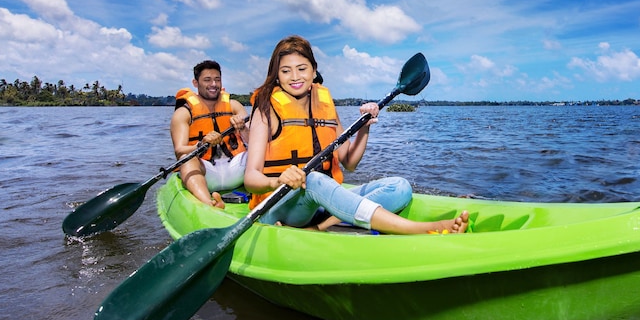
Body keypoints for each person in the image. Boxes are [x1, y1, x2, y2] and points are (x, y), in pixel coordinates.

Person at [243, 35, 469, 234]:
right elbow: (251, 178)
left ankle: (320, 227)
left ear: (313, 70)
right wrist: (278, 181)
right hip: (277, 206)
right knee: (312, 178)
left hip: (318, 208)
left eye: (301, 68)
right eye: (285, 71)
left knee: (400, 187)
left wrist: (365, 128)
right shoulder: (266, 109)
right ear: (277, 75)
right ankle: (425, 229)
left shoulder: (324, 104)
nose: (294, 76)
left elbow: (349, 162)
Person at [171, 60, 249, 208]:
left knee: (263, 150)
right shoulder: (183, 113)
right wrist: (201, 145)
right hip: (207, 172)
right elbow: (179, 150)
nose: (213, 84)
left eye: (217, 79)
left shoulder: (234, 106)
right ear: (195, 82)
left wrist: (243, 128)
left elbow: (255, 141)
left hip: (237, 168)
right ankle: (210, 203)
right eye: (207, 80)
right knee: (186, 158)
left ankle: (269, 195)